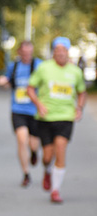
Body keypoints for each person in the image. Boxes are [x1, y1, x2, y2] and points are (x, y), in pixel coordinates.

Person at [27, 36, 87, 203]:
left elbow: (82, 92)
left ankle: (55, 190)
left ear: (68, 52)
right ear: (53, 52)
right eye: (57, 50)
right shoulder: (44, 68)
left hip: (65, 117)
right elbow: (30, 88)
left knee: (60, 149)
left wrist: (79, 108)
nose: (60, 53)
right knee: (47, 156)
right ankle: (47, 170)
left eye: (64, 50)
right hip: (46, 117)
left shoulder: (75, 72)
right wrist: (38, 104)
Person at [0, 41, 42, 187]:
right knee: (22, 140)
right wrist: (3, 82)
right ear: (19, 52)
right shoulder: (14, 66)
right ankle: (26, 173)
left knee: (33, 143)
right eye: (25, 53)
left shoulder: (39, 65)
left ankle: (34, 152)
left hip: (35, 110)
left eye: (30, 52)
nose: (27, 55)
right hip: (18, 110)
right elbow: (9, 83)